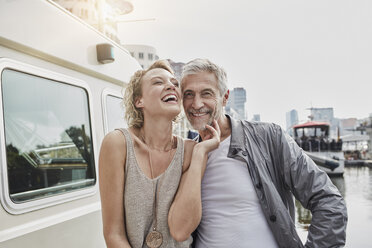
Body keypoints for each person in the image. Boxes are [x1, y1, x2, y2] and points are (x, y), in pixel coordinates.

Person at [179, 58, 348, 248]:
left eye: (206, 93)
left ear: (225, 97)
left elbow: (328, 201)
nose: (196, 103)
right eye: (188, 94)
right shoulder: (185, 155)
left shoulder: (269, 137)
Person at [98, 60, 220, 248]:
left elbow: (181, 229)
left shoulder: (191, 152)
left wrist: (200, 151)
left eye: (174, 83)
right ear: (139, 101)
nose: (171, 86)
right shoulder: (117, 144)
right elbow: (114, 234)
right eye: (158, 82)